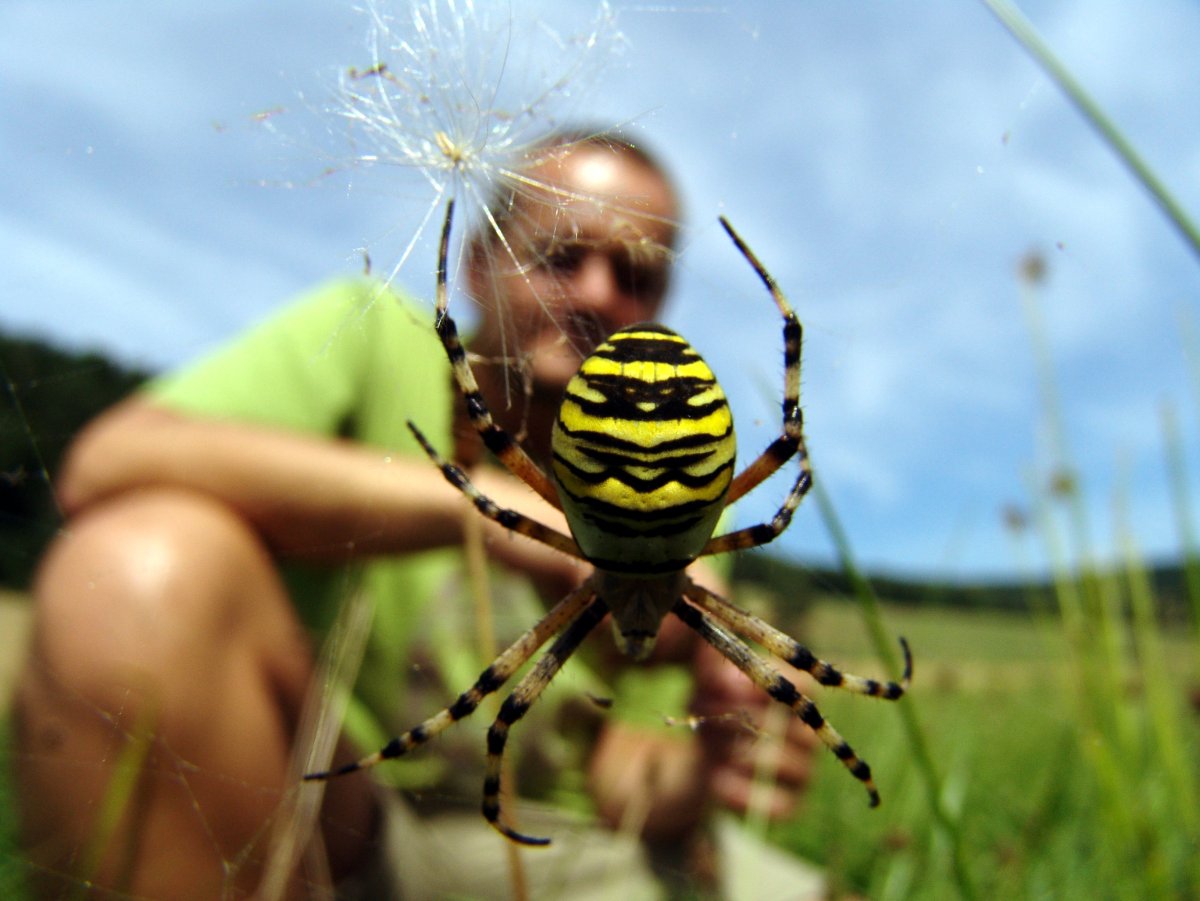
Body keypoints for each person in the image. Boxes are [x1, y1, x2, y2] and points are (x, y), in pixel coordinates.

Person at [12, 130, 822, 899]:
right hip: (340, 810)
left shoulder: (675, 491)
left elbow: (615, 772)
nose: (597, 292)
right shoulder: (376, 339)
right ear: (478, 263)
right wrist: (494, 514)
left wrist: (712, 761)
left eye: (637, 275)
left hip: (559, 847)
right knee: (134, 570)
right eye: (559, 256)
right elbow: (108, 460)